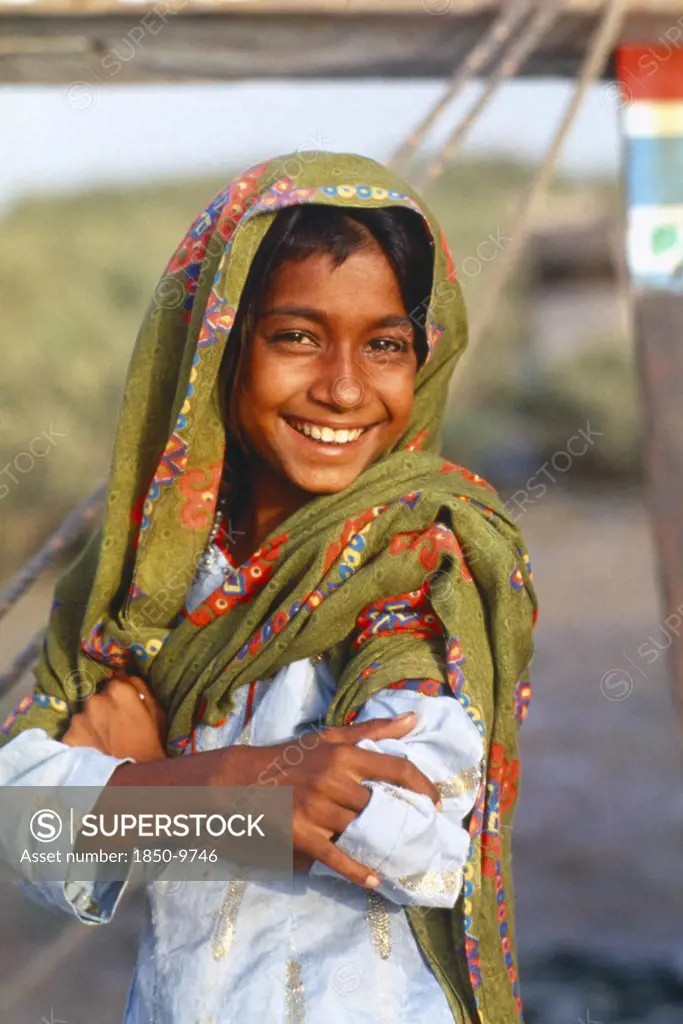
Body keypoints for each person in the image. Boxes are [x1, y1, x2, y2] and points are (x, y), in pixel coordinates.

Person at [0, 152, 537, 1024]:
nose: (342, 387)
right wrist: (238, 796)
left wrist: (153, 780)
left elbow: (417, 840)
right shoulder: (149, 580)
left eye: (387, 345)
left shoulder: (423, 556)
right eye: (295, 336)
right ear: (219, 343)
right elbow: (27, 830)